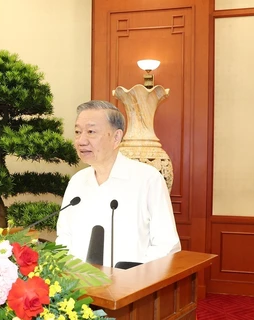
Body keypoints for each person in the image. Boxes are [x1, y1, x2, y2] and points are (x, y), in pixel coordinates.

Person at [56, 100, 181, 267]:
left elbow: (167, 245)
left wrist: (133, 275)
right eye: (78, 132)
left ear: (116, 137)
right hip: (78, 285)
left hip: (132, 286)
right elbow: (64, 236)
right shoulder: (77, 181)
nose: (81, 140)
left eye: (91, 131)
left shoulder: (147, 179)